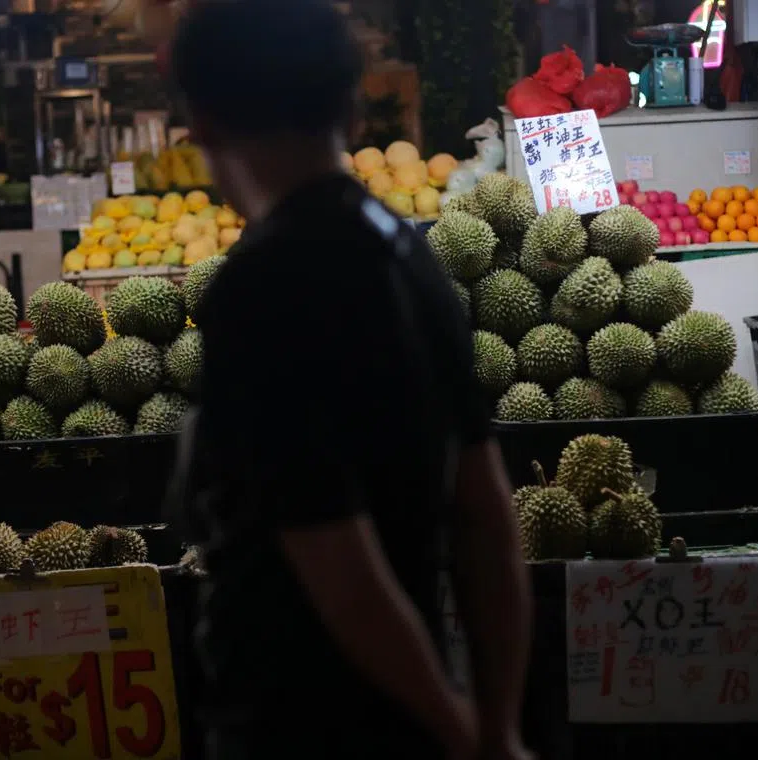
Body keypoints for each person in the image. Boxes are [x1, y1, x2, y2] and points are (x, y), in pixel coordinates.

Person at [167, 2, 534, 758]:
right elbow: (486, 515)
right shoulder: (409, 251)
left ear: (200, 122)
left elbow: (339, 570)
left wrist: (462, 733)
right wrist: (493, 725)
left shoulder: (259, 289)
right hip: (411, 719)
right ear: (348, 105)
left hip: (292, 725)